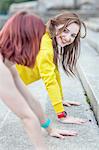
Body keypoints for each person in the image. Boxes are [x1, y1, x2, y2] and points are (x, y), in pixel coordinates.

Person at [0, 11, 79, 150]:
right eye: (38, 38)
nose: (41, 44)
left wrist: (50, 129)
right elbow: (27, 117)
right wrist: (61, 115)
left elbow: (31, 100)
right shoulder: (2, 69)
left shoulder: (9, 65)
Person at [16, 11, 86, 125]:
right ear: (55, 25)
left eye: (73, 35)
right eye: (65, 30)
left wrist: (61, 99)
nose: (68, 38)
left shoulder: (48, 38)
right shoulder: (46, 48)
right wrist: (61, 115)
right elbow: (50, 81)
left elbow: (55, 72)